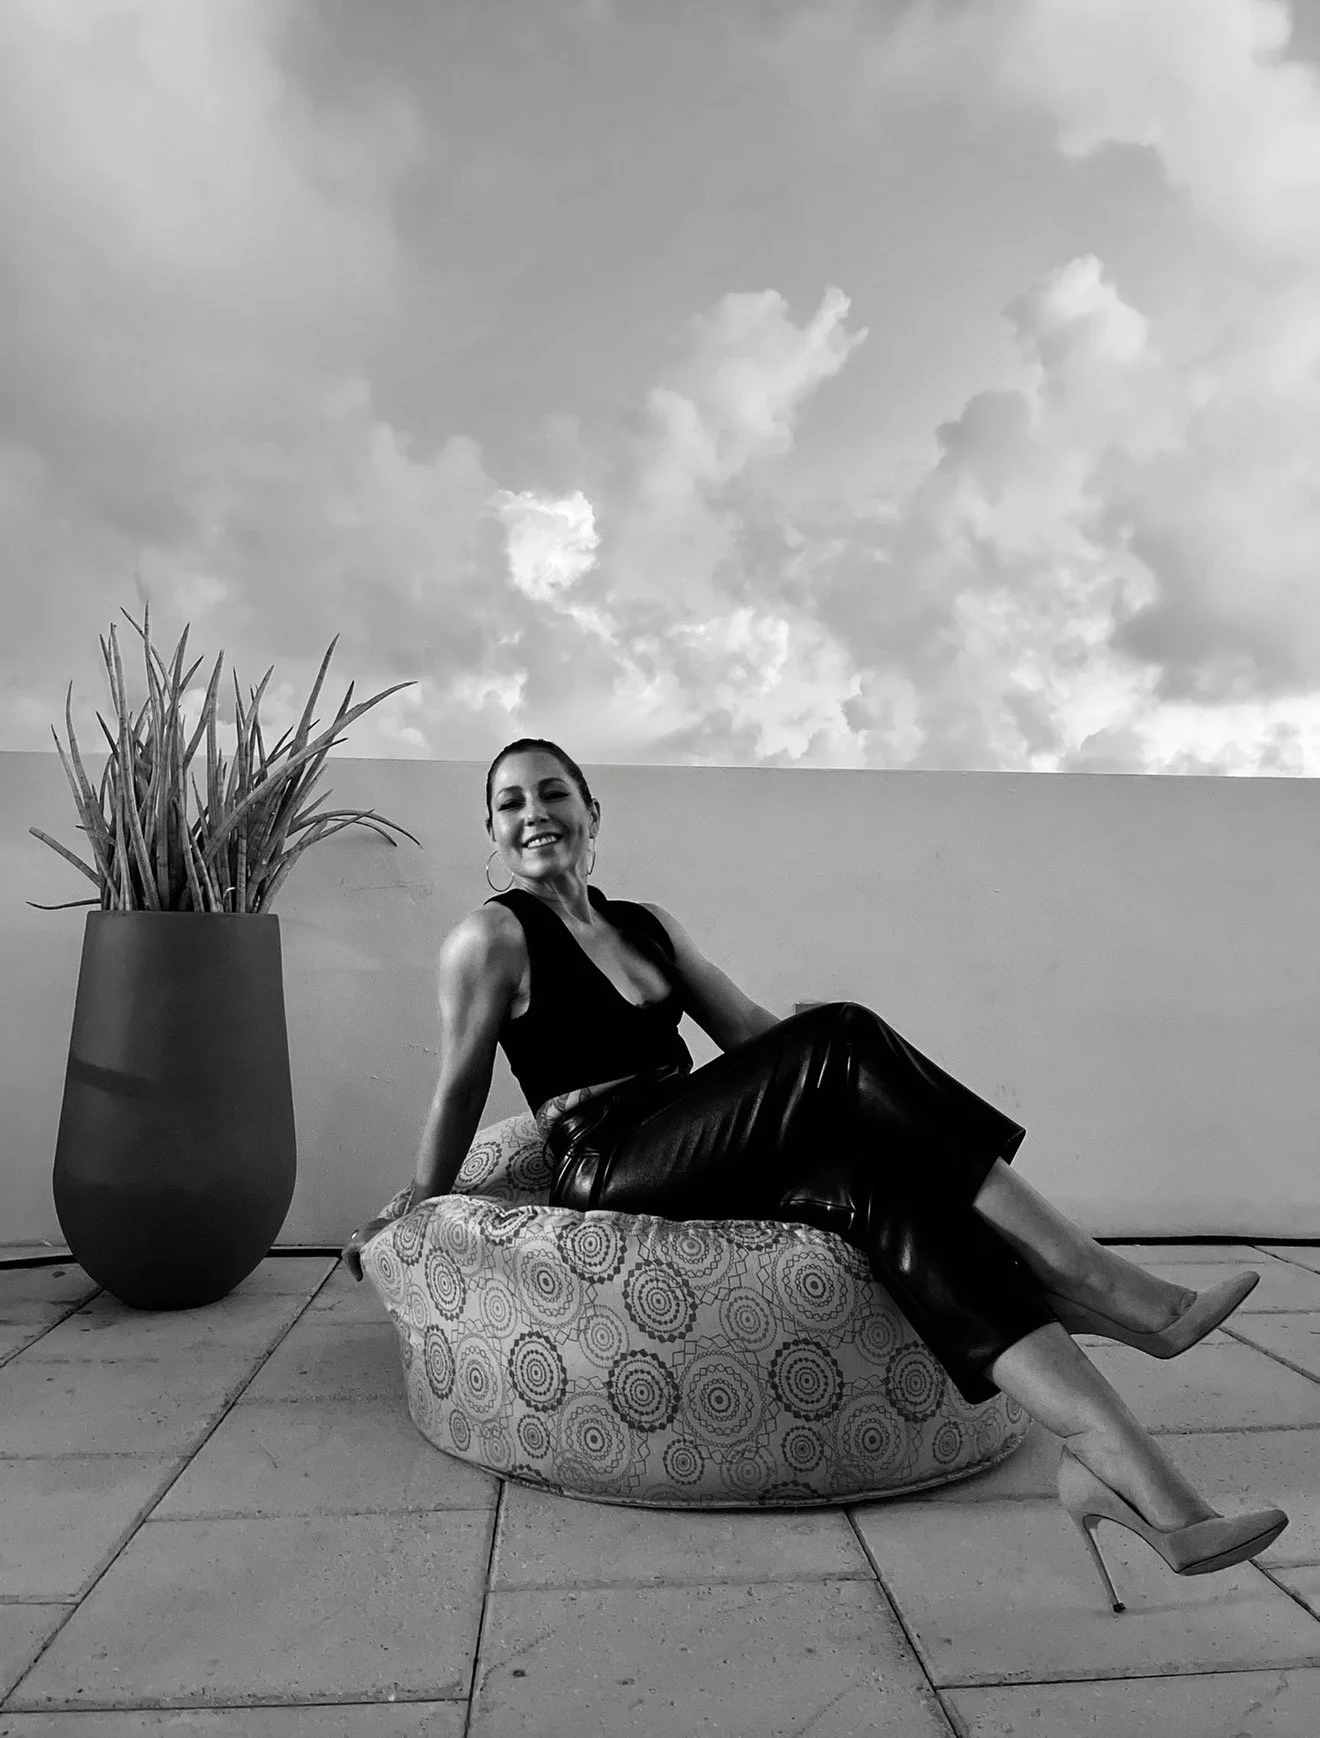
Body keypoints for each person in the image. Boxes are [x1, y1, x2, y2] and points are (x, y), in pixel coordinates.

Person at [344, 736, 1288, 1612]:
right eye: (511, 802)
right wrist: (417, 1206)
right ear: (493, 833)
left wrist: (834, 1060)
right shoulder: (490, 939)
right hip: (611, 1165)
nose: (534, 811)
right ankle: (1084, 1273)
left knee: (886, 1179)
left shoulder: (647, 926)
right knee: (840, 1030)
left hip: (694, 1140)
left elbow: (749, 1034)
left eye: (554, 792)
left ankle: (1131, 1474)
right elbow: (457, 1087)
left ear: (594, 810)